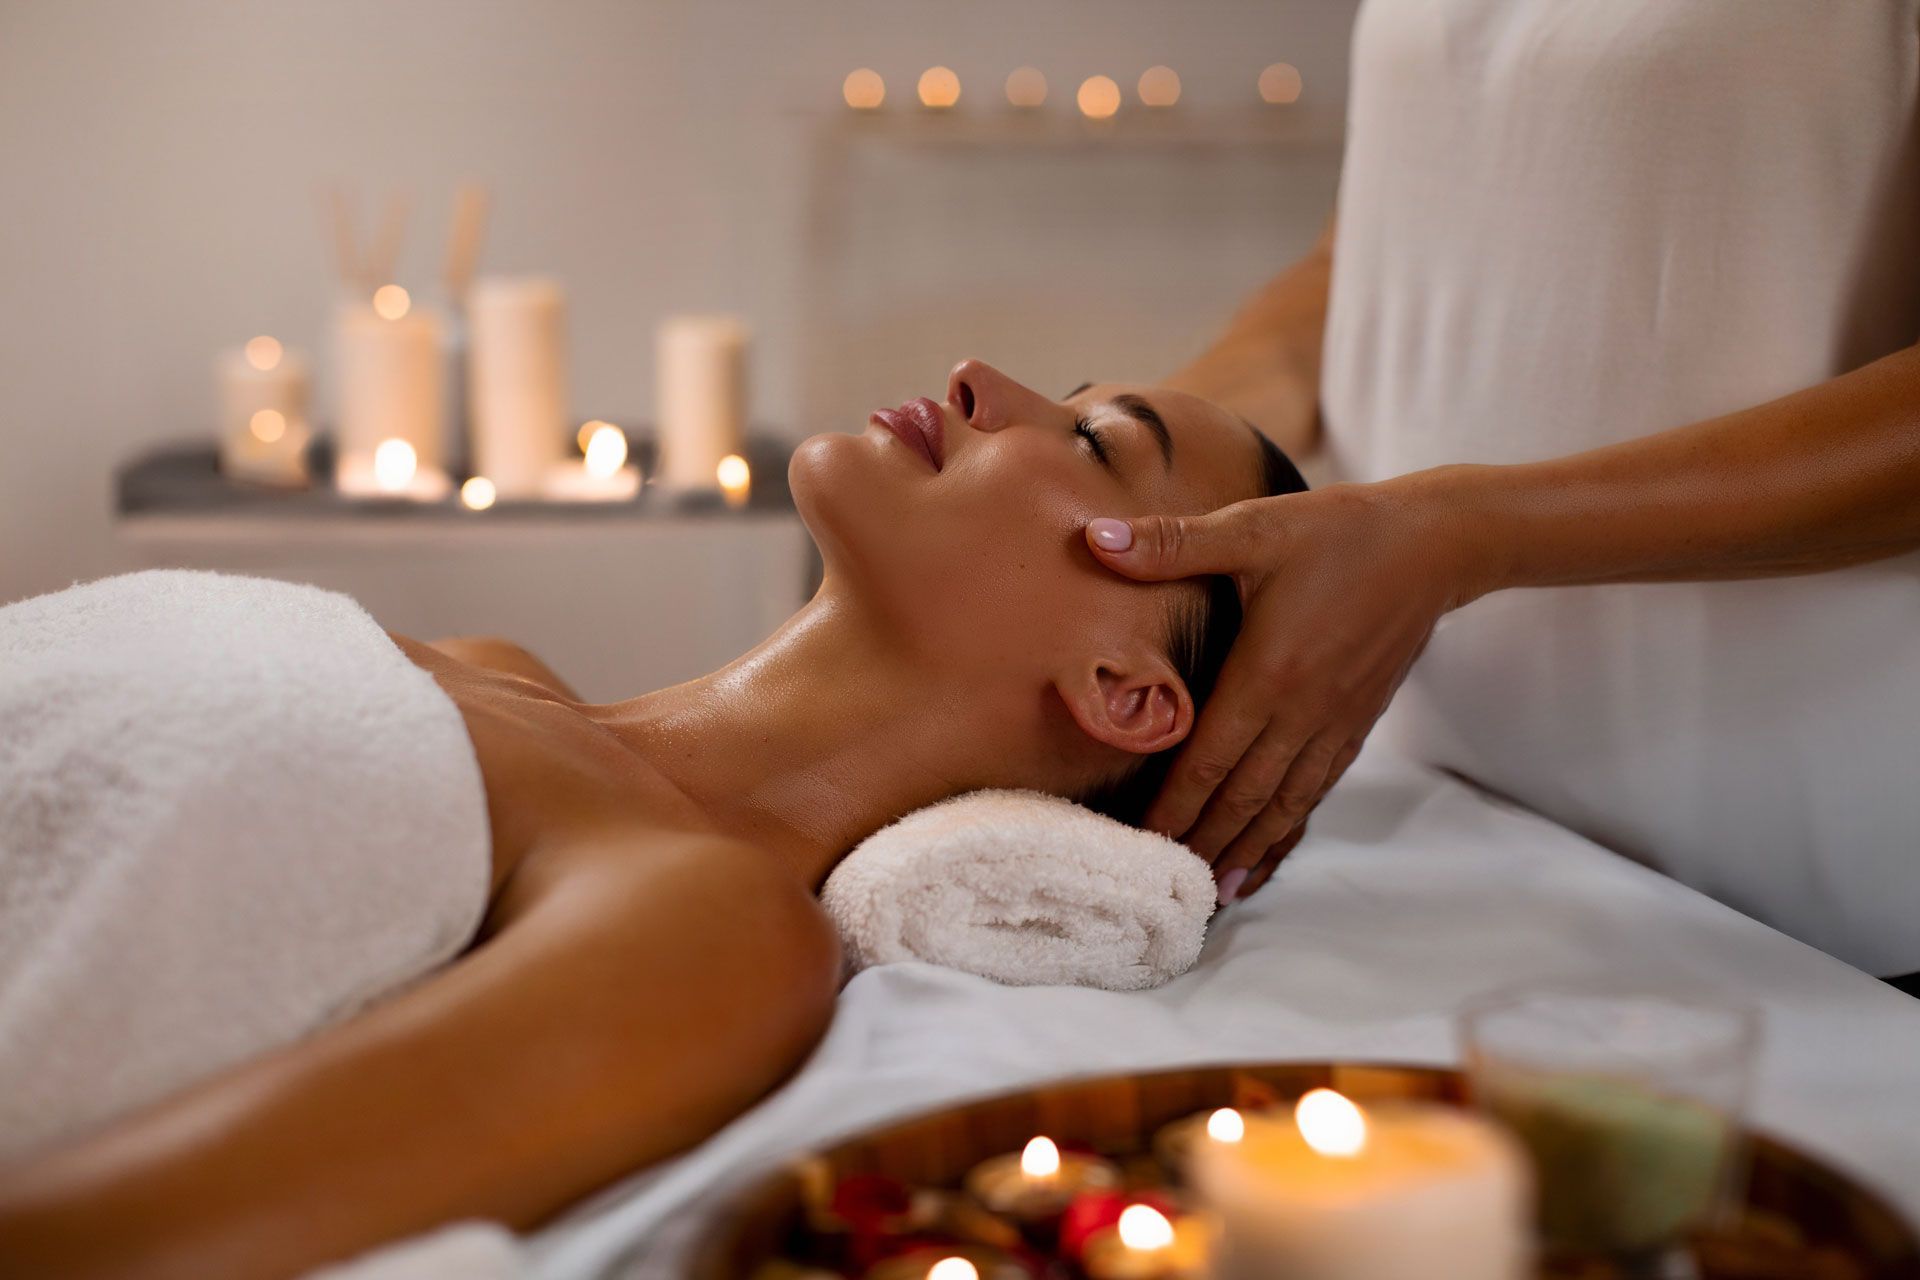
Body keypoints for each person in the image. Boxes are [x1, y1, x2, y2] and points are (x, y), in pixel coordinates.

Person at [0, 360, 1307, 1277]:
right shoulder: (488, 663)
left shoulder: (717, 927)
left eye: (1094, 444)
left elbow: (135, 1244)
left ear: (1126, 695)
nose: (976, 379)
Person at [1086, 1, 1920, 979]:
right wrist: (1138, 445)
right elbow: (1378, 248)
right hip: (1435, 816)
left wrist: (1463, 534)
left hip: (1788, 875)